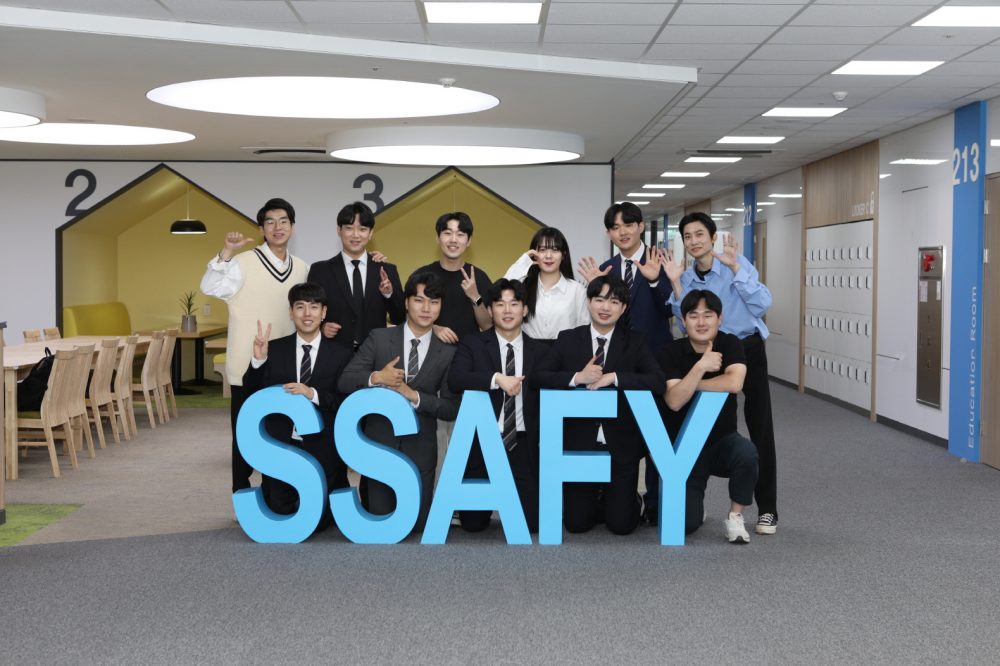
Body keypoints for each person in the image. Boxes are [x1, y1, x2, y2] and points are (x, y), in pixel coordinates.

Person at [665, 211, 778, 536]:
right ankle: (694, 492)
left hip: (746, 348)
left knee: (760, 428)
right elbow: (684, 321)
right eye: (688, 236)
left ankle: (767, 509)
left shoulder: (735, 263)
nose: (694, 241)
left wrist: (736, 269)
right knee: (705, 422)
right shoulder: (686, 278)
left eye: (700, 234)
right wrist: (675, 283)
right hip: (709, 352)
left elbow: (762, 304)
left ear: (713, 237)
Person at [532, 274, 664, 536]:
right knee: (577, 524)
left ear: (623, 308)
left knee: (621, 525)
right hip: (579, 444)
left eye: (614, 302)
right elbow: (538, 377)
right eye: (600, 299)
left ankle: (626, 499)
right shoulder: (568, 338)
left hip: (620, 444)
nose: (606, 307)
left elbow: (658, 381)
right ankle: (601, 497)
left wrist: (614, 378)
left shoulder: (635, 341)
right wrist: (577, 378)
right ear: (589, 302)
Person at [200, 197, 309, 494]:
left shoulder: (301, 268)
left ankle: (281, 495)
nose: (277, 227)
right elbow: (209, 287)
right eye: (270, 222)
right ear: (261, 229)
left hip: (286, 366)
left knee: (284, 434)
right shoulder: (243, 262)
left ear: (293, 227)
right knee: (245, 436)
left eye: (284, 221)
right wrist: (227, 252)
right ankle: (242, 495)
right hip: (247, 366)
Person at [337, 271, 459, 534]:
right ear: (406, 302)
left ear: (440, 307)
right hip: (378, 448)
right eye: (419, 300)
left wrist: (413, 395)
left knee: (419, 528)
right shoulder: (379, 338)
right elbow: (345, 380)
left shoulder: (448, 352)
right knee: (381, 527)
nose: (426, 308)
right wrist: (377, 377)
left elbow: (451, 408)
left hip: (421, 451)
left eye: (434, 302)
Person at [577, 202, 674, 525]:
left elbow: (671, 310)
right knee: (614, 434)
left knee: (656, 438)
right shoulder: (607, 269)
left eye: (629, 225)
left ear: (641, 226)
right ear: (608, 233)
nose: (623, 232)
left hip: (652, 363)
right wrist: (594, 285)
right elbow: (599, 318)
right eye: (615, 227)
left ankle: (656, 505)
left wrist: (655, 281)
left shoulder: (660, 262)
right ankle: (610, 495)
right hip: (614, 368)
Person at [242, 282, 353, 529]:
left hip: (323, 444)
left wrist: (312, 394)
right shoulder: (274, 348)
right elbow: (251, 393)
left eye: (314, 307)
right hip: (281, 444)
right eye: (300, 307)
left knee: (321, 521)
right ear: (291, 313)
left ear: (324, 313)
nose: (307, 314)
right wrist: (258, 361)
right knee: (279, 511)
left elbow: (345, 401)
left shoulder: (342, 354)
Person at [658, 289, 759, 544]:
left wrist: (689, 384)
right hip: (683, 449)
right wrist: (701, 366)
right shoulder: (669, 351)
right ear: (683, 321)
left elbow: (734, 383)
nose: (701, 322)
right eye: (693, 316)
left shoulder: (730, 343)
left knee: (747, 453)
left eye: (708, 315)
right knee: (685, 525)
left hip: (721, 441)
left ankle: (735, 516)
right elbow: (674, 401)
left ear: (719, 319)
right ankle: (697, 508)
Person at [447, 278, 547, 533]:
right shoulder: (473, 344)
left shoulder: (540, 350)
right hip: (484, 441)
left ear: (525, 309)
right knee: (473, 524)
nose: (507, 310)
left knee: (533, 524)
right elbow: (455, 380)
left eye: (514, 304)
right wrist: (496, 379)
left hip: (523, 442)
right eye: (500, 304)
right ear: (490, 310)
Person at [307, 201, 405, 353]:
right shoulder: (320, 271)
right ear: (339, 230)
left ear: (370, 233)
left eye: (362, 229)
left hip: (375, 355)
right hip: (333, 354)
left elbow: (399, 318)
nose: (355, 235)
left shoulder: (387, 270)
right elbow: (308, 312)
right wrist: (320, 327)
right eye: (349, 228)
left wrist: (388, 294)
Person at [414, 212, 492, 343]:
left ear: (469, 241)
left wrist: (475, 297)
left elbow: (488, 326)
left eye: (460, 234)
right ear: (438, 238)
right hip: (429, 351)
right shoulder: (421, 275)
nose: (453, 240)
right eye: (447, 233)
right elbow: (406, 317)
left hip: (469, 352)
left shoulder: (479, 277)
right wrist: (432, 328)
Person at [503, 227, 589, 341]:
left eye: (555, 250)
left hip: (565, 350)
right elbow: (502, 290)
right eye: (542, 250)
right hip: (529, 350)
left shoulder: (577, 290)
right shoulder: (523, 286)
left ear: (563, 255)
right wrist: (524, 262)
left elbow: (584, 330)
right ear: (534, 254)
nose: (548, 256)